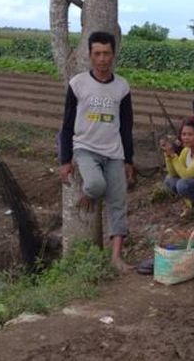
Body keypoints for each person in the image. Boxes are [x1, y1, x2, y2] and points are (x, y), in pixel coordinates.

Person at [57, 31, 135, 272]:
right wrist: (65, 159)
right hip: (85, 149)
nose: (102, 59)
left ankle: (116, 257)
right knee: (95, 186)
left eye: (107, 53)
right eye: (97, 54)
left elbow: (126, 125)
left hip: (114, 152)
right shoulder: (78, 84)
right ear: (90, 56)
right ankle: (89, 195)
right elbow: (67, 123)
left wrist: (129, 160)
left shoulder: (122, 86)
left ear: (113, 55)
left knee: (118, 204)